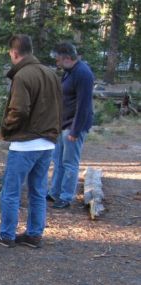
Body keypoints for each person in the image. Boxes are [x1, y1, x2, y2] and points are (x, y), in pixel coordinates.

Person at [0, 34, 62, 248]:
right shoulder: (51, 74)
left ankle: (6, 235)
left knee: (11, 192)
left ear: (15, 53)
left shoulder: (22, 76)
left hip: (25, 144)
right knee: (38, 191)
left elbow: (19, 110)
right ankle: (34, 234)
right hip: (47, 143)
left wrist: (6, 127)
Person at [48, 42, 94, 209]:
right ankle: (55, 193)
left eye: (58, 59)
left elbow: (83, 106)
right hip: (62, 124)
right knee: (58, 160)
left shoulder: (83, 73)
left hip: (74, 126)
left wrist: (74, 131)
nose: (57, 63)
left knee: (69, 163)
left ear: (67, 58)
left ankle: (66, 197)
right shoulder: (69, 72)